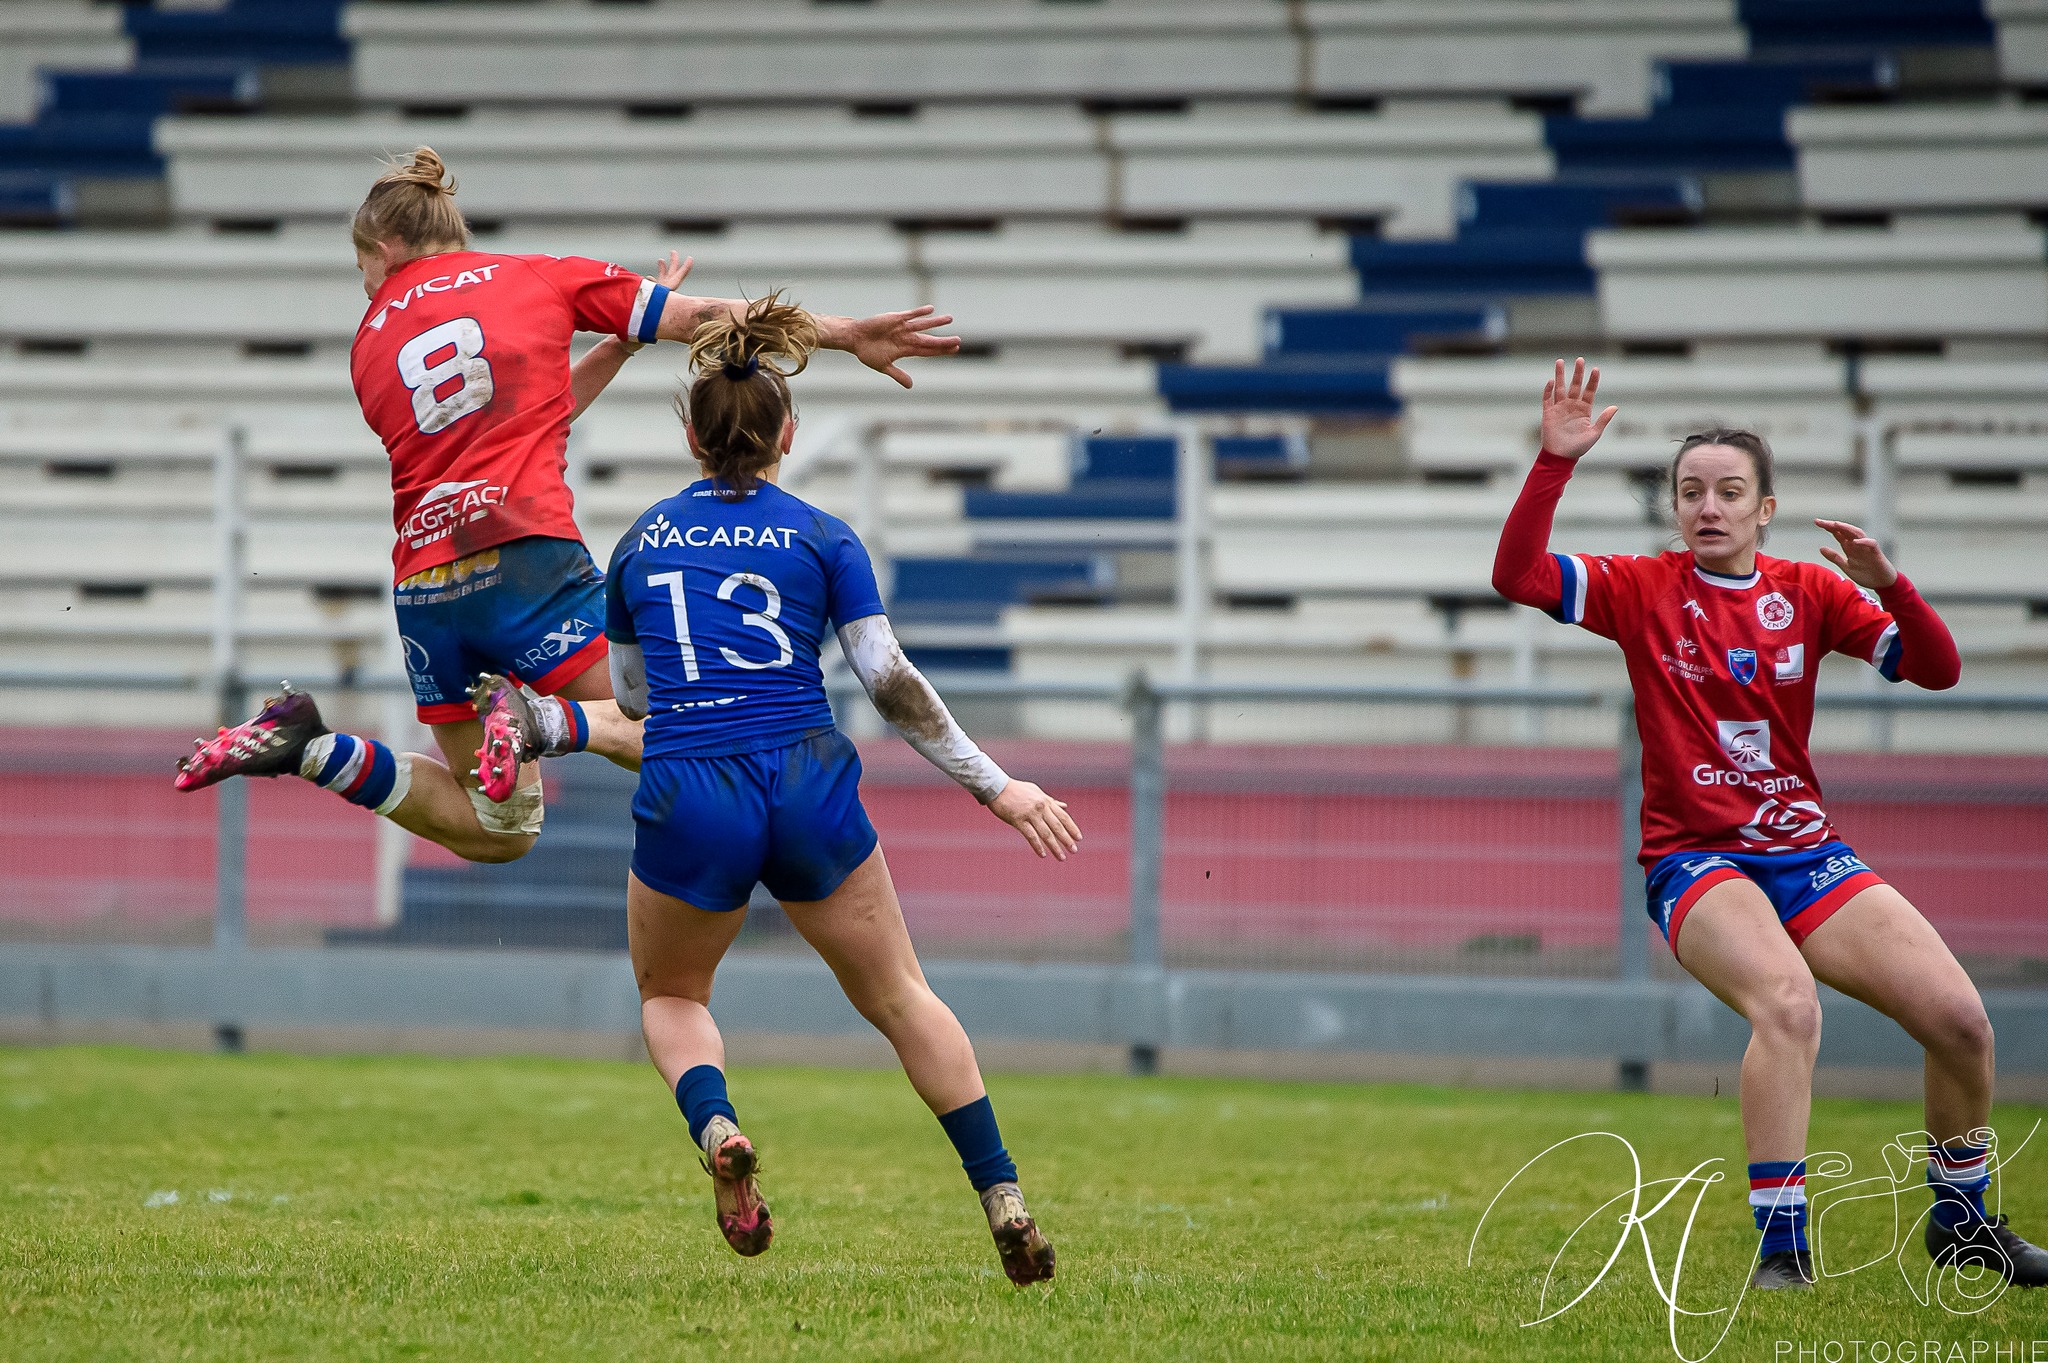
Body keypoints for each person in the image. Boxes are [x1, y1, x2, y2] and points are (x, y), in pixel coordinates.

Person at [172, 147, 959, 870]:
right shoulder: (537, 276)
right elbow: (713, 321)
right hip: (528, 559)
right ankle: (547, 723)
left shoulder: (368, 341)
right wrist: (844, 332)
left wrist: (616, 345)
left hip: (427, 592)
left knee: (498, 826)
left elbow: (519, 418)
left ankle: (307, 747)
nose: (369, 285)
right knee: (682, 733)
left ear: (382, 253)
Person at [1492, 358, 2048, 1292]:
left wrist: (1891, 585)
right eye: (1690, 491)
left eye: (1729, 491)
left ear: (1766, 508)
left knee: (1960, 1020)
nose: (1707, 506)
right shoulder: (1641, 587)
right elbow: (1515, 574)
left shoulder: (1814, 591)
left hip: (1807, 856)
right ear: (1674, 508)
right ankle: (1782, 1251)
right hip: (1694, 862)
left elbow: (1936, 668)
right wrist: (1555, 463)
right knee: (1787, 1005)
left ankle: (1964, 1227)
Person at [606, 293, 1079, 1284]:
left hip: (692, 780)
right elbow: (891, 683)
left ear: (691, 437)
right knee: (902, 997)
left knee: (673, 994)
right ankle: (1003, 1197)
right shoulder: (824, 537)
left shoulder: (640, 543)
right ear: (785, 432)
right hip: (805, 776)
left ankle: (719, 1123)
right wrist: (999, 789)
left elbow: (633, 696)